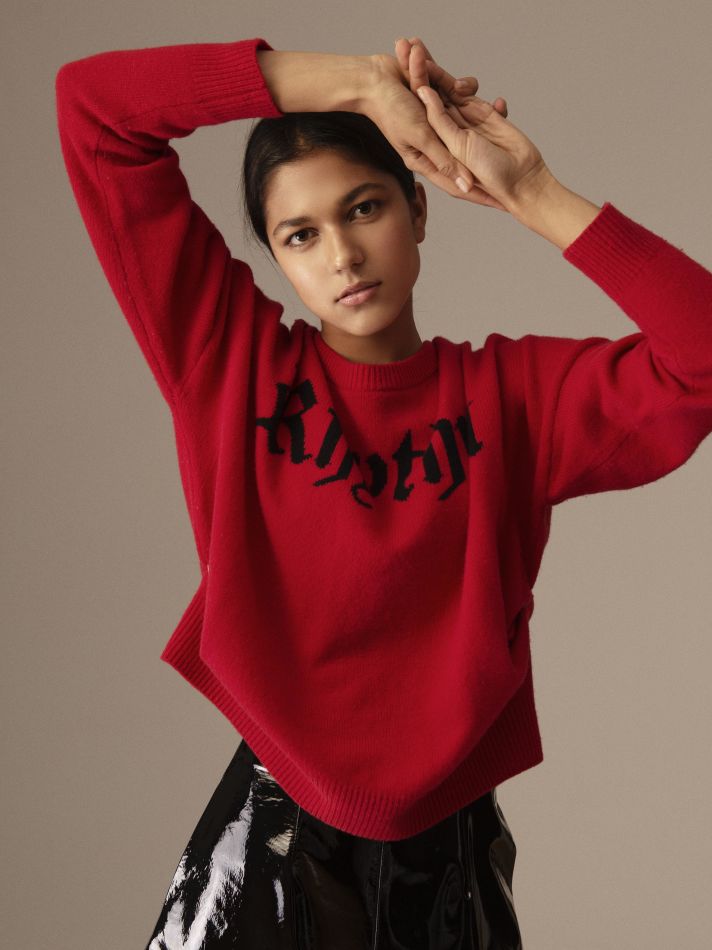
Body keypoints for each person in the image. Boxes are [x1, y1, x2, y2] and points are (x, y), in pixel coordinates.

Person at [54, 32, 712, 949]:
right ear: (277, 256)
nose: (342, 256)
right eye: (301, 234)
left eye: (364, 208)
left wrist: (532, 193)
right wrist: (358, 85)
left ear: (418, 206)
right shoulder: (228, 364)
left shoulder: (512, 401)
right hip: (270, 847)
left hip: (450, 862)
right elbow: (96, 112)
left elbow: (702, 360)